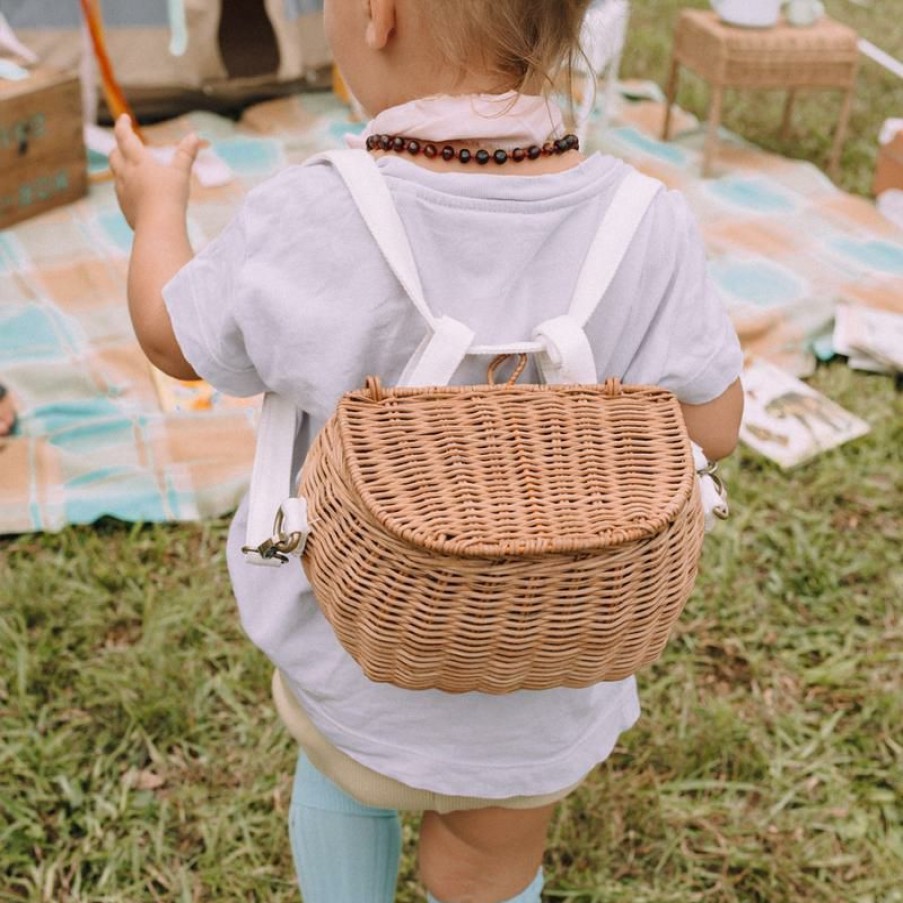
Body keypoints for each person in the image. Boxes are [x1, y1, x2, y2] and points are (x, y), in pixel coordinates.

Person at [109, 0, 745, 899]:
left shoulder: (312, 210)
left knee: (344, 783)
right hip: (551, 669)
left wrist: (157, 208)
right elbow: (711, 429)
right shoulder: (646, 221)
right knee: (487, 859)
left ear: (377, 15)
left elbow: (172, 336)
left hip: (354, 659)